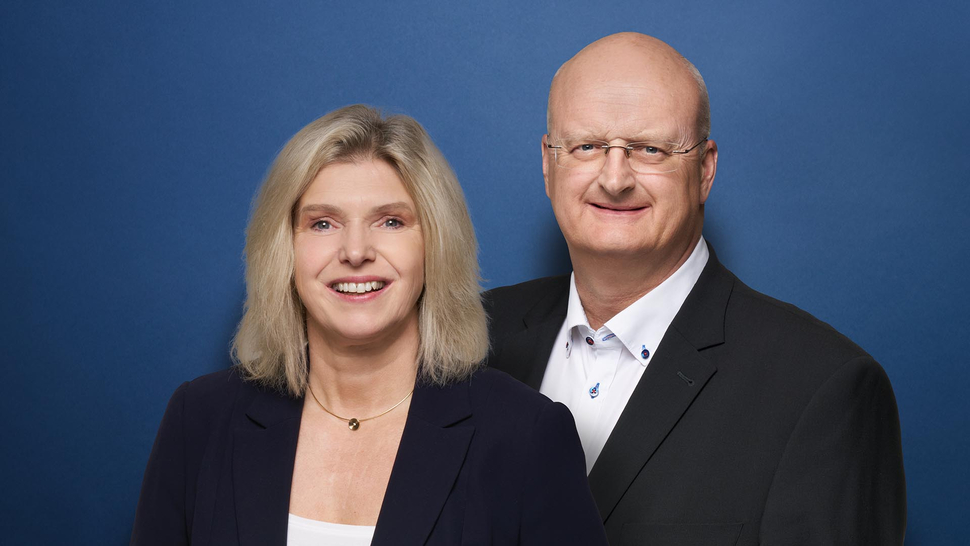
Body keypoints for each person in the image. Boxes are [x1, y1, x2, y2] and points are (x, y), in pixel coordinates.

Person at [485, 33, 906, 544]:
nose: (614, 179)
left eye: (650, 149)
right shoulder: (468, 338)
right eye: (587, 146)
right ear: (549, 163)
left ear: (705, 170)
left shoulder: (821, 389)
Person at [131, 105, 608, 545]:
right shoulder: (199, 421)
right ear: (283, 250)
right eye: (323, 223)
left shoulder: (526, 436)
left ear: (435, 246)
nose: (355, 251)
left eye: (390, 222)